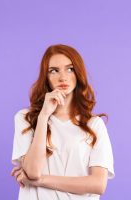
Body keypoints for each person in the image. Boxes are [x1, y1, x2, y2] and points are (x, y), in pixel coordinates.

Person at [10, 44, 115, 199]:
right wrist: (44, 115)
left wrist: (41, 181)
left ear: (78, 73)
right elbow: (33, 171)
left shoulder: (94, 125)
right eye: (54, 71)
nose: (63, 77)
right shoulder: (26, 118)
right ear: (46, 77)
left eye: (70, 69)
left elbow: (98, 184)